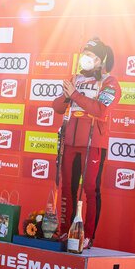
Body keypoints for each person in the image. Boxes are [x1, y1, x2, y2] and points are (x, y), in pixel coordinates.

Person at [51, 37, 121, 249]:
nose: (86, 59)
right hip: (70, 142)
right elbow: (57, 107)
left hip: (93, 143)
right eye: (85, 55)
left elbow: (101, 110)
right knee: (68, 189)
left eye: (91, 56)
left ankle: (88, 235)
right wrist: (67, 95)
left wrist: (75, 95)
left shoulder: (110, 83)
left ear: (101, 60)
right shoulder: (76, 78)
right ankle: (64, 232)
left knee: (90, 189)